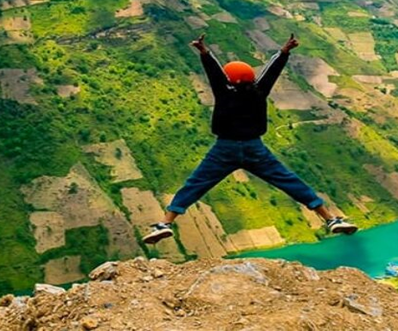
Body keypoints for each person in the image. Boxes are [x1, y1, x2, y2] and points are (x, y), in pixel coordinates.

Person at [143, 33, 358, 245]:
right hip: (255, 149)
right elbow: (271, 72)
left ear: (229, 80)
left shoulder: (223, 91)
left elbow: (215, 73)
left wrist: (204, 52)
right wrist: (284, 51)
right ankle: (330, 219)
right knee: (289, 181)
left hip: (224, 149)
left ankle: (165, 223)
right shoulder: (259, 91)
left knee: (195, 184)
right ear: (250, 79)